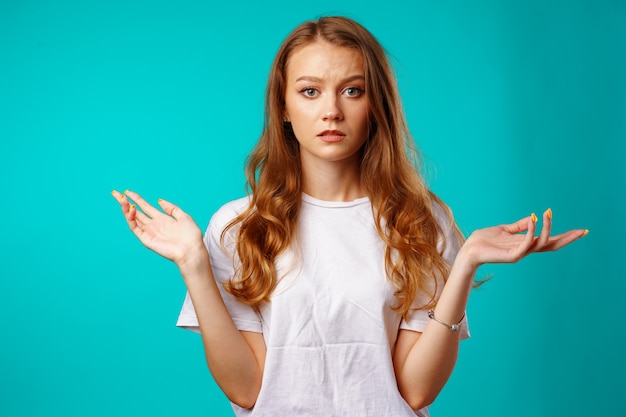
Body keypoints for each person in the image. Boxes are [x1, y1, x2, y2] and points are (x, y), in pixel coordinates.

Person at [111, 16, 586, 417]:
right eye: (310, 91)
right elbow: (248, 389)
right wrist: (194, 264)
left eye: (352, 90)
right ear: (284, 107)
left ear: (376, 105)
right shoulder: (240, 226)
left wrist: (465, 265)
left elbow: (416, 391)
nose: (332, 111)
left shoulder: (421, 221)